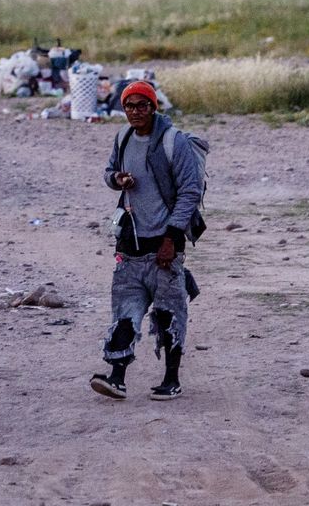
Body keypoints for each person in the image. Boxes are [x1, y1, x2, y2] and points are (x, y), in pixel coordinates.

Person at [90, 80, 205, 402]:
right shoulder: (123, 137)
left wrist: (172, 237)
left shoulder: (173, 141)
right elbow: (109, 171)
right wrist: (118, 180)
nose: (135, 111)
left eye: (142, 105)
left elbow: (190, 192)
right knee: (125, 310)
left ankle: (171, 380)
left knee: (168, 312)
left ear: (154, 107)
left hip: (164, 244)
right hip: (130, 239)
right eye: (129, 105)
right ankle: (116, 378)